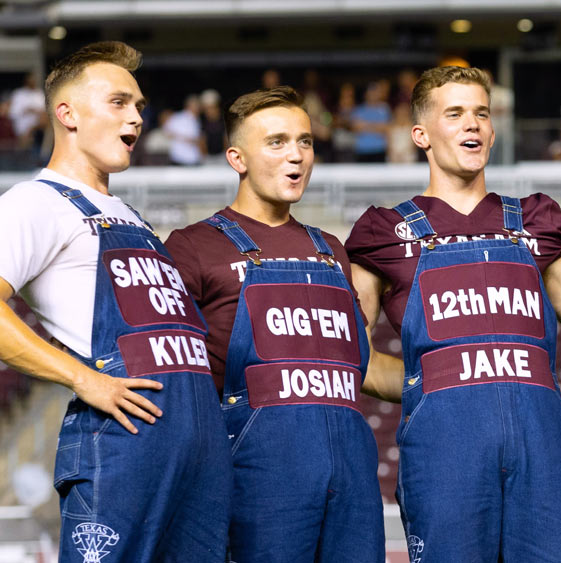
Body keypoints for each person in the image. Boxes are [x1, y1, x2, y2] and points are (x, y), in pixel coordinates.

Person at [345, 65, 561, 562]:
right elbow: (348, 353)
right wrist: (435, 380)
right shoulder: (383, 230)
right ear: (421, 134)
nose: (473, 125)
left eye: (482, 113)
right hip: (447, 450)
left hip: (543, 449)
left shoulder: (535, 218)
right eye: (456, 113)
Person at [0, 41, 230, 561]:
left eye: (140, 107)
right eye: (119, 102)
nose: (137, 118)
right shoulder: (36, 202)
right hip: (123, 440)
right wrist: (83, 378)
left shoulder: (130, 215)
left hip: (194, 444)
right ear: (68, 114)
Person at [164, 86, 400, 562]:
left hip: (350, 475)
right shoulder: (192, 246)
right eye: (276, 142)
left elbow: (361, 366)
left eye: (305, 141)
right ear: (237, 158)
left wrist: (451, 377)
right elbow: (172, 374)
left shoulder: (331, 248)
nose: (296, 156)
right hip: (255, 475)